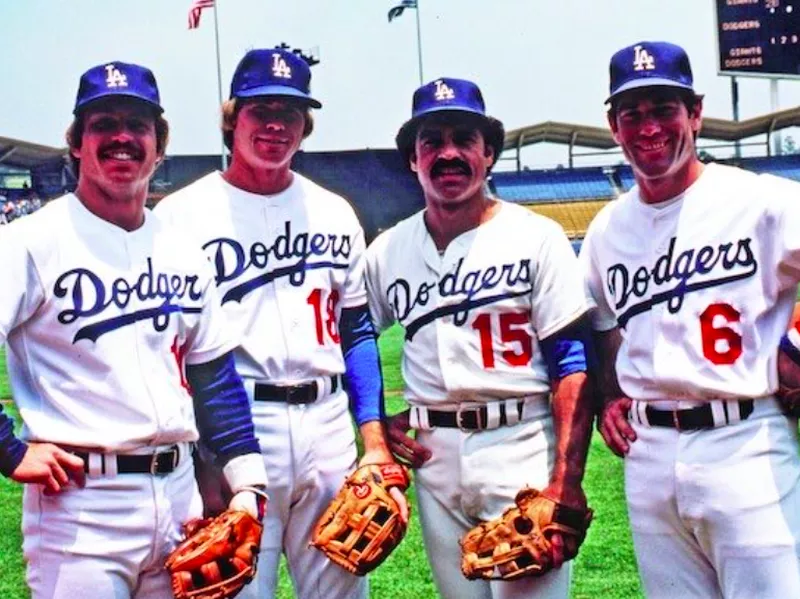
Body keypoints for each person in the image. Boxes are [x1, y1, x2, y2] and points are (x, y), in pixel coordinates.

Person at [0, 61, 268, 598]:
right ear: (76, 143)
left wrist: (245, 484)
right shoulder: (29, 242)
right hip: (80, 507)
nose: (121, 137)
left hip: (180, 497)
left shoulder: (183, 249)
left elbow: (212, 376)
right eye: (104, 124)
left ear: (158, 145)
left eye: (137, 125)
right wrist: (7, 450)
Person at [155, 47, 407, 599]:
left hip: (327, 429)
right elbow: (169, 351)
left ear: (305, 125)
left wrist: (374, 442)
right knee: (241, 585)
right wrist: (205, 461)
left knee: (341, 587)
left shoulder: (334, 210)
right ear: (232, 118)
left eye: (290, 112)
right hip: (239, 427)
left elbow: (357, 331)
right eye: (260, 108)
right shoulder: (179, 216)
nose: (275, 124)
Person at [581, 41, 800, 598]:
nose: (648, 127)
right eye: (633, 113)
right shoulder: (606, 230)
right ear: (614, 125)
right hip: (649, 455)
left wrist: (793, 345)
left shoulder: (760, 200)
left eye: (664, 109)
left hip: (745, 439)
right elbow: (599, 323)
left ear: (695, 114)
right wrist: (609, 394)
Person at [366, 77, 595, 599]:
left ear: (488, 153)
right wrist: (377, 426)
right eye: (432, 142)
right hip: (434, 456)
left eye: (464, 140)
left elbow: (572, 360)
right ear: (412, 159)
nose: (448, 154)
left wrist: (566, 478)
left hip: (521, 443)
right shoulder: (388, 249)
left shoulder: (536, 236)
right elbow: (351, 338)